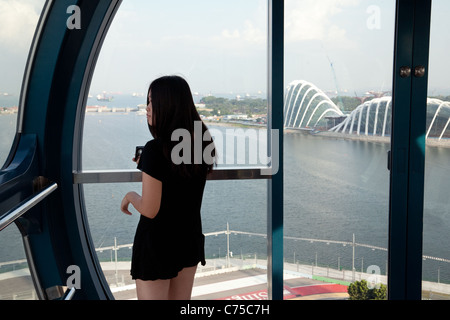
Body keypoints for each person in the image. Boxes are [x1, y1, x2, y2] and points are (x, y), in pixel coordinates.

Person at [120, 75, 215, 300]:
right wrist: (149, 166)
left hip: (157, 246)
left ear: (168, 104)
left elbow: (150, 209)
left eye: (152, 102)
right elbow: (180, 181)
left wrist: (130, 196)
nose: (147, 108)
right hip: (188, 239)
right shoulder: (201, 143)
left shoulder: (154, 150)